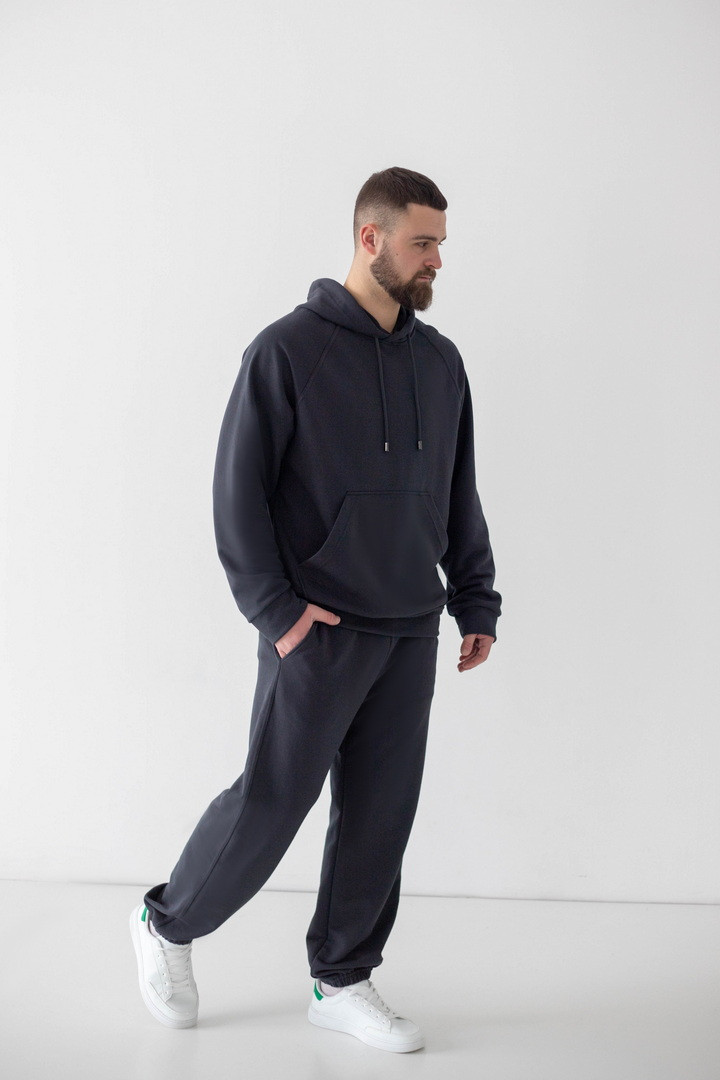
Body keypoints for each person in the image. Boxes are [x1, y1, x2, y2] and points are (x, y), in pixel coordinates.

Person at [130, 165, 502, 1054]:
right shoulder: (287, 351)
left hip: (409, 624)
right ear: (371, 239)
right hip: (319, 628)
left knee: (381, 814)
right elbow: (237, 497)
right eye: (422, 242)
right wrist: (280, 614)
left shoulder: (441, 362)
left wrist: (475, 597)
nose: (437, 260)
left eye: (441, 244)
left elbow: (457, 491)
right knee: (271, 801)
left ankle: (341, 977)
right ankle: (166, 924)